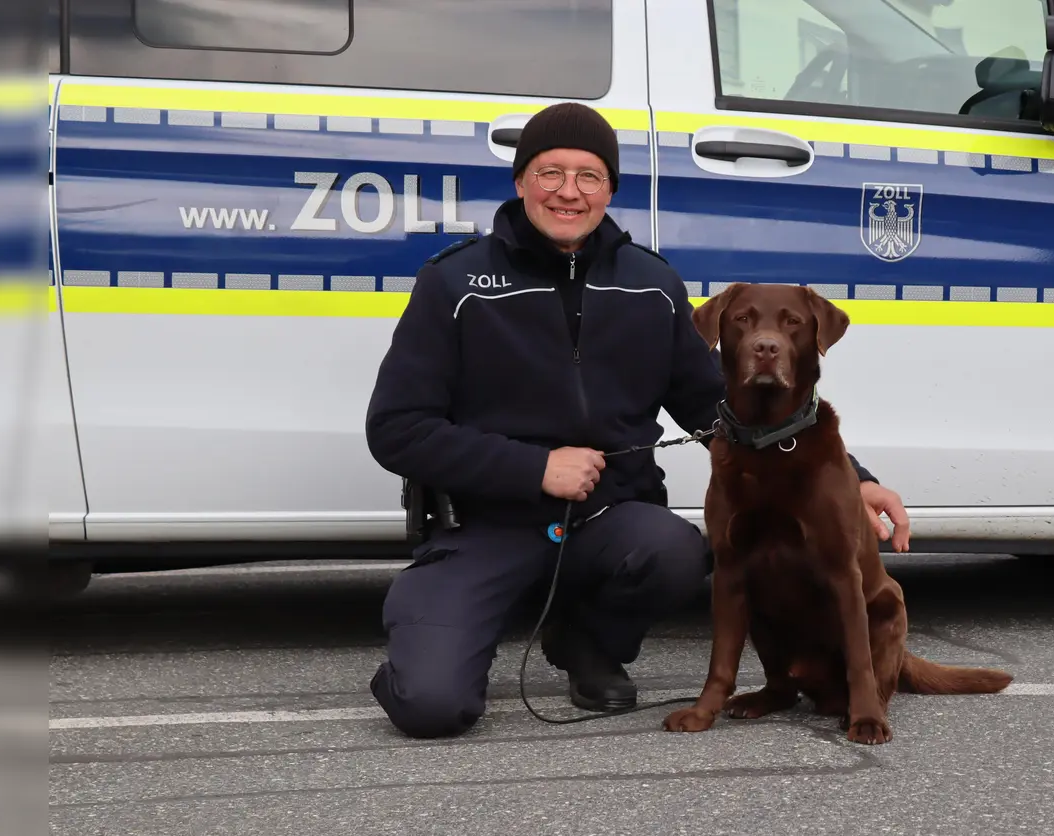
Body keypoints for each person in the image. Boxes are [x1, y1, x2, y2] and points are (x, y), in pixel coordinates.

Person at [363, 102, 912, 740]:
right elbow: (397, 428)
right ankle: (425, 654)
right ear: (520, 182)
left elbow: (717, 407)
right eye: (550, 173)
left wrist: (854, 479)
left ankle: (586, 644)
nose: (569, 192)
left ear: (610, 189)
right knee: (431, 706)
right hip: (487, 525)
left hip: (610, 519)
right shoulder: (454, 284)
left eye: (589, 176)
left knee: (677, 552)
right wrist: (534, 467)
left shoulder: (650, 285)